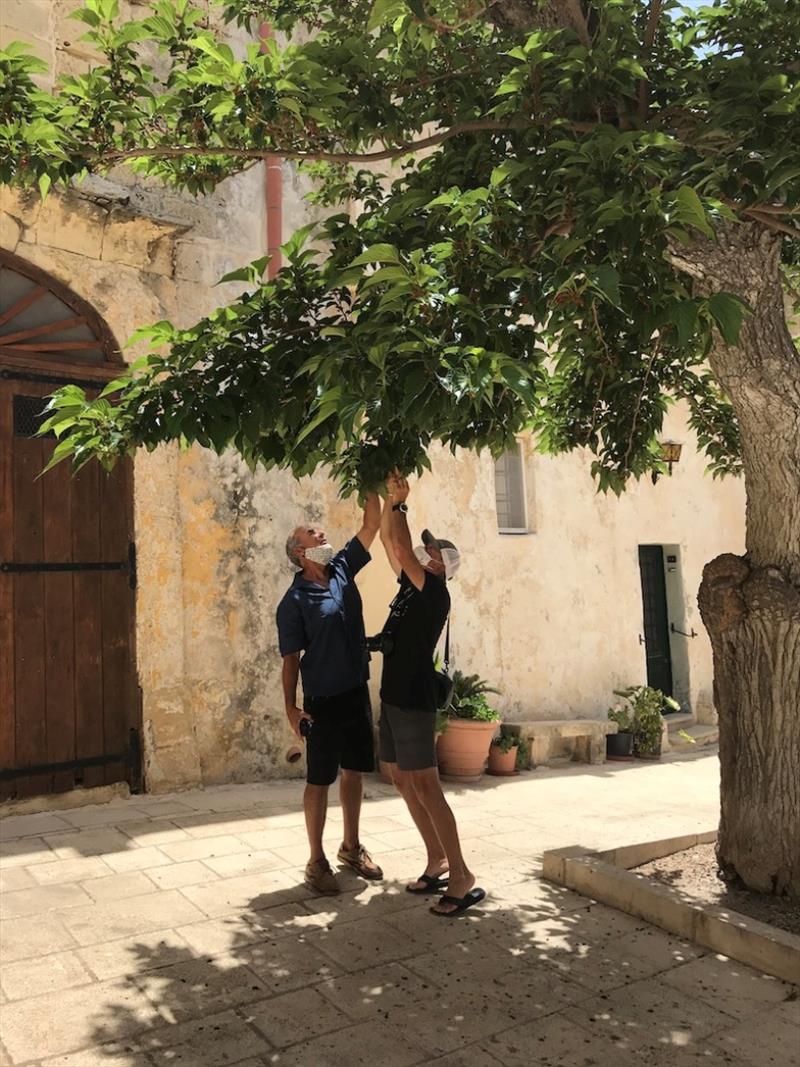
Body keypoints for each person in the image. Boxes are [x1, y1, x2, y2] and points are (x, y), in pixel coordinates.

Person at [378, 472, 485, 917]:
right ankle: (437, 859)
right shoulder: (410, 585)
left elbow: (401, 547)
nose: (424, 551)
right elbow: (390, 545)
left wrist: (401, 504)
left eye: (433, 551)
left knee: (426, 783)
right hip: (392, 695)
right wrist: (386, 502)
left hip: (413, 698)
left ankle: (461, 875)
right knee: (400, 777)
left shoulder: (433, 592)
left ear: (442, 566)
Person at [276, 494, 383, 895]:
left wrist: (369, 480)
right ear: (301, 552)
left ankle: (351, 848)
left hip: (356, 690)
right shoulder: (293, 602)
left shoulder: (340, 568)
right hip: (321, 701)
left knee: (354, 771)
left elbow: (371, 526)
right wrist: (291, 709)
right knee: (319, 779)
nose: (322, 531)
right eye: (312, 532)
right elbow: (290, 660)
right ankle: (316, 861)